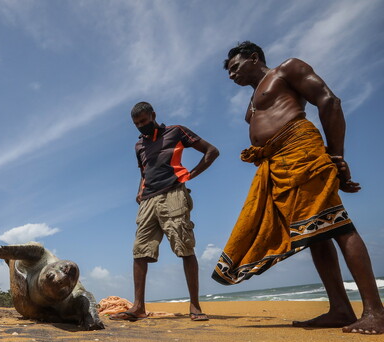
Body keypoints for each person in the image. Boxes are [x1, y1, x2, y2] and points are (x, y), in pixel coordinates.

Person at [214, 41, 384, 334]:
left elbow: (329, 101)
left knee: (338, 225)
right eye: (229, 73)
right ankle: (341, 308)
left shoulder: (286, 70)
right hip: (278, 164)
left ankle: (375, 312)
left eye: (235, 67)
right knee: (314, 232)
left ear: (254, 58)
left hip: (301, 151)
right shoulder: (251, 101)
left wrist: (336, 155)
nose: (232, 76)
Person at [110, 102, 219, 322]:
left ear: (153, 115)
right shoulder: (139, 146)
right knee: (139, 251)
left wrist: (191, 175)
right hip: (148, 201)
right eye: (137, 124)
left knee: (184, 246)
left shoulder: (176, 131)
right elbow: (144, 171)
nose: (141, 126)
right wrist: (139, 192)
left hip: (173, 195)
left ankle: (195, 306)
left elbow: (211, 151)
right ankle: (138, 307)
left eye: (144, 120)